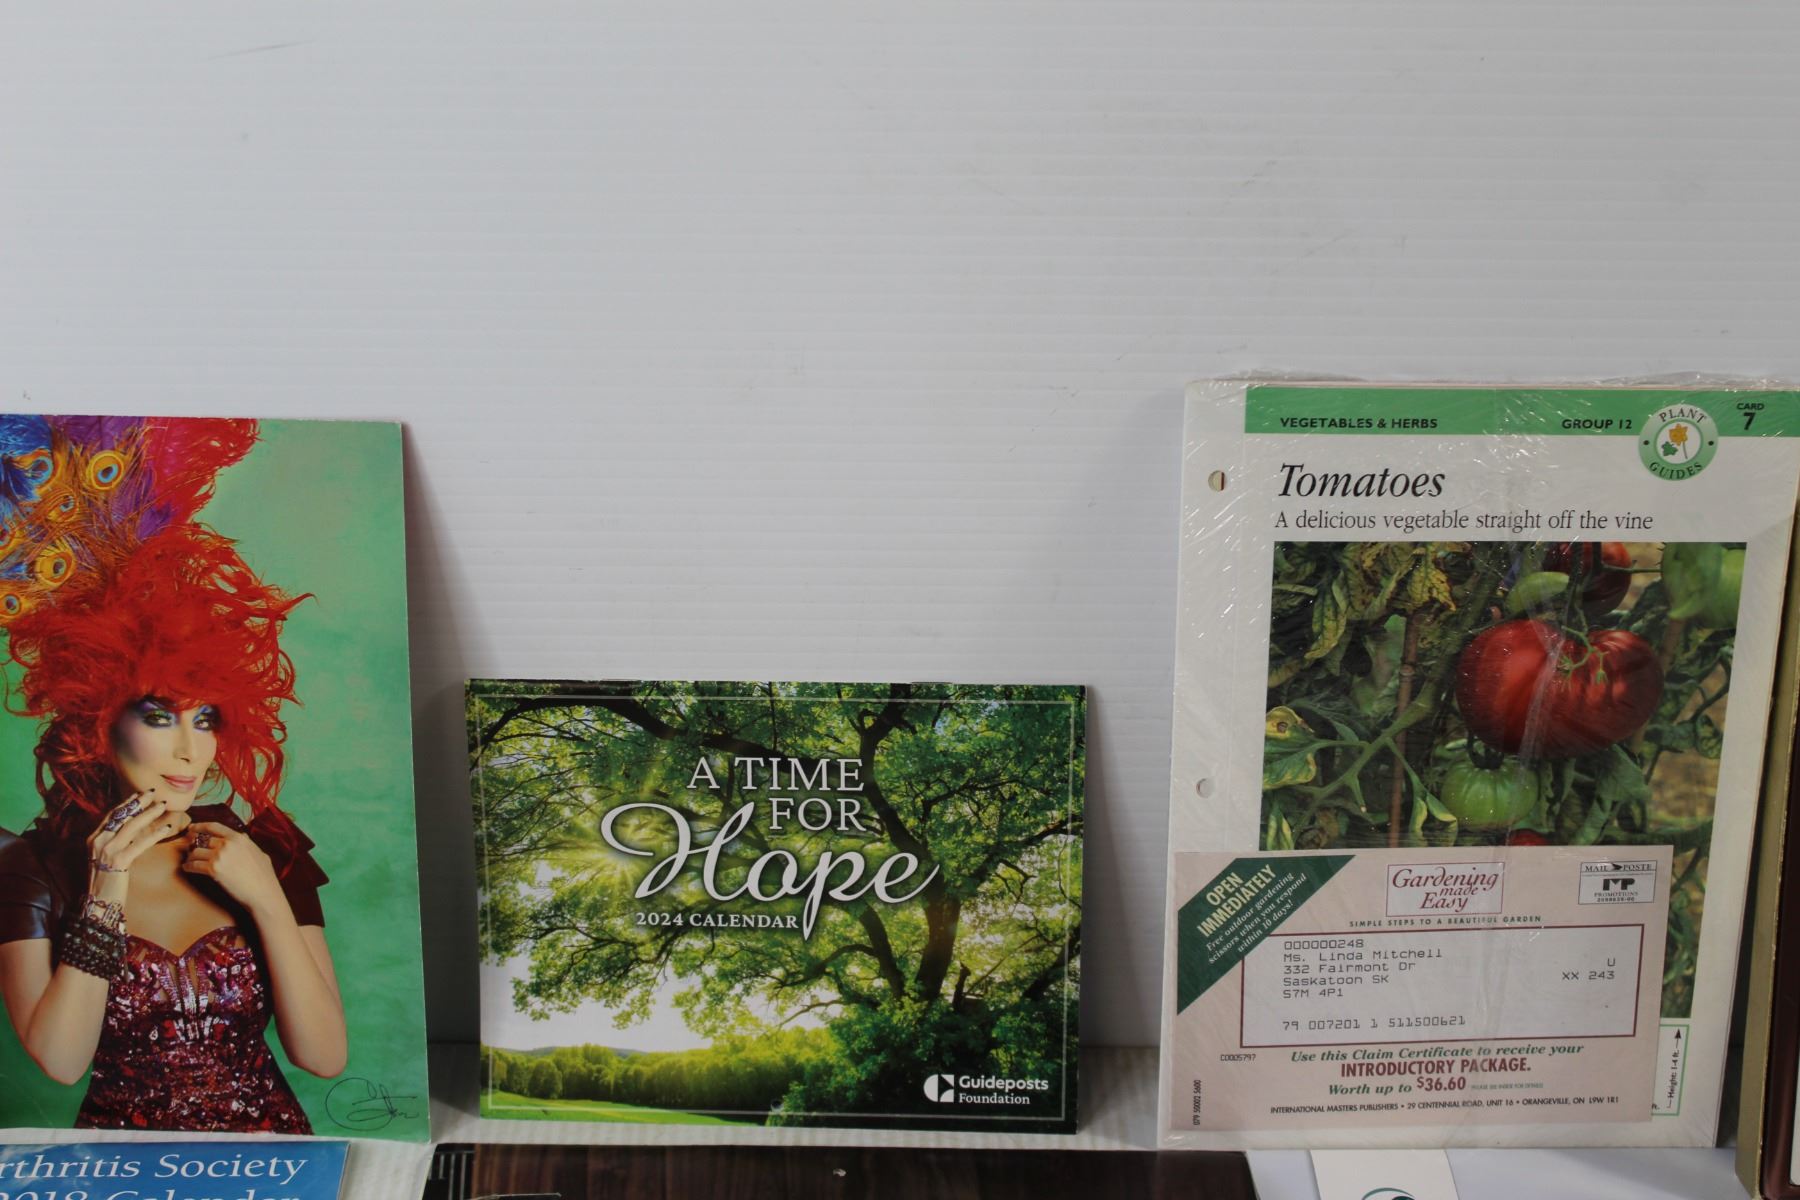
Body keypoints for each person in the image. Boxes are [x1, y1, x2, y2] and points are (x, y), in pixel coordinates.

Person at [0, 443, 345, 1132]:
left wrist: (266, 897)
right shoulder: (30, 867)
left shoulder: (264, 846)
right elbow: (61, 1061)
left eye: (206, 718)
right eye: (159, 717)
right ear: (101, 719)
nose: (191, 749)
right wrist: (106, 889)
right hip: (121, 1166)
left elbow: (324, 1056)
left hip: (270, 1154)